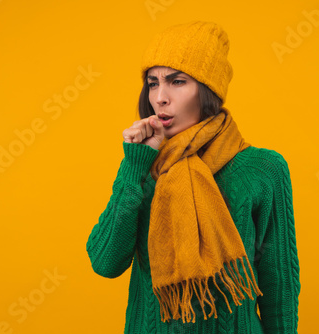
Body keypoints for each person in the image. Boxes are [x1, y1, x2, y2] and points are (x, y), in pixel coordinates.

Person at [86, 20, 301, 333]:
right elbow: (106, 262)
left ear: (208, 88)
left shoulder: (262, 169)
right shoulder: (143, 164)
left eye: (177, 82)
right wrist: (134, 165)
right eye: (152, 82)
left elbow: (279, 284)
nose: (159, 97)